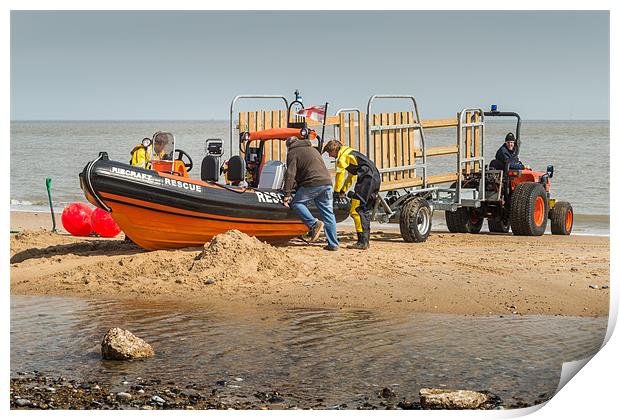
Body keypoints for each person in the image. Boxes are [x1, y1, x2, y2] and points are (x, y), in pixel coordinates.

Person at [282, 136, 339, 251]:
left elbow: (291, 174)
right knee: (328, 214)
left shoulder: (293, 152)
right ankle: (333, 244)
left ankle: (313, 224)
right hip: (327, 183)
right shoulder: (312, 149)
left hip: (312, 183)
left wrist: (287, 194)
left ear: (289, 146)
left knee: (297, 203)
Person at [323, 139, 380, 250]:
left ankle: (362, 242)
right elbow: (351, 176)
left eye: (330, 153)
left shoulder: (342, 157)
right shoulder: (349, 152)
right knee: (363, 210)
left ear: (334, 150)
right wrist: (343, 190)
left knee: (356, 210)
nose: (330, 156)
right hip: (374, 177)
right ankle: (364, 240)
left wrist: (336, 191)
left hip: (367, 180)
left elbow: (340, 174)